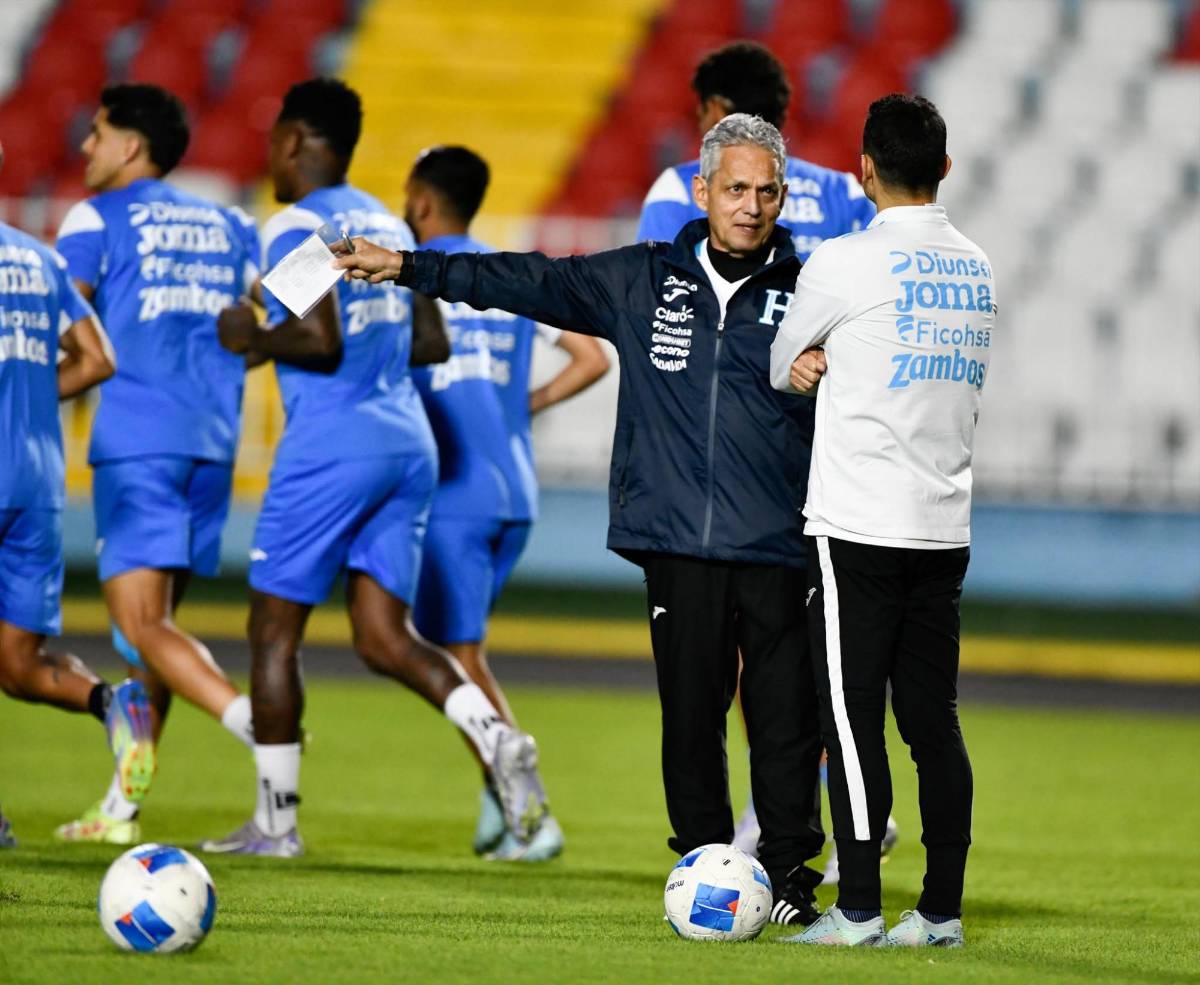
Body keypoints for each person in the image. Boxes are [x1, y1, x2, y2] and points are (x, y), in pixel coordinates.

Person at [337, 113, 828, 925]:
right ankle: (703, 869)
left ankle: (791, 884)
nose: (751, 205)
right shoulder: (642, 279)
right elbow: (524, 279)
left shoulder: (814, 291)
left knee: (785, 723)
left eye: (766, 192)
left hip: (778, 541)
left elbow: (881, 379)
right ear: (702, 191)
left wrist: (834, 370)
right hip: (676, 541)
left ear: (782, 198)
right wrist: (406, 267)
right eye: (735, 188)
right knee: (691, 720)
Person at [201, 79, 549, 858]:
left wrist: (251, 339)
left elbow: (317, 339)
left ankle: (275, 824)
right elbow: (431, 340)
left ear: (295, 140)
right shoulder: (386, 223)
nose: (269, 158)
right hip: (407, 444)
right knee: (385, 635)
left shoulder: (297, 223)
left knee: (272, 630)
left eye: (273, 143)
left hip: (333, 445)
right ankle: (495, 735)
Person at [637, 39, 895, 878]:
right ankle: (824, 811)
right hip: (824, 464)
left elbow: (666, 299)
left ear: (716, 115)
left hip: (718, 470)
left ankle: (750, 831)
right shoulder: (846, 197)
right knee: (803, 660)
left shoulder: (684, 185)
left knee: (725, 667)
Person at [769, 93, 994, 948]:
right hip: (943, 524)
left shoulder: (842, 261)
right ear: (945, 167)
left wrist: (809, 362)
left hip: (857, 524)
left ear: (864, 170)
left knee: (851, 716)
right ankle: (940, 910)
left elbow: (781, 361)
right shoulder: (977, 267)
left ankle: (858, 906)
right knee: (933, 721)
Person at [54, 83, 259, 843]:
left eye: (97, 132)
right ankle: (120, 808)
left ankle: (257, 726)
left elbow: (57, 318)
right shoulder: (230, 221)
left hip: (138, 437)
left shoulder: (94, 218)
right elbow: (290, 308)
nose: (85, 147)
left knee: (141, 626)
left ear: (131, 145)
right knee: (157, 630)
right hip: (212, 442)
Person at [404, 145, 610, 861]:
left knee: (454, 659)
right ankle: (498, 805)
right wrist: (525, 405)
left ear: (420, 202)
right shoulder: (501, 276)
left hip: (454, 494)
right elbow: (593, 356)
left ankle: (530, 809)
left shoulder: (411, 276)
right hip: (514, 489)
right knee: (463, 649)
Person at [0, 136, 154, 842]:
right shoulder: (38, 259)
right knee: (16, 664)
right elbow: (97, 359)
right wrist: (30, 398)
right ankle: (113, 702)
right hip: (37, 480)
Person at [638, 41, 875, 261]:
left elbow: (656, 283)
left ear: (716, 108)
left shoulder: (679, 189)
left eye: (702, 109)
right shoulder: (845, 191)